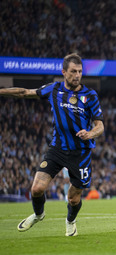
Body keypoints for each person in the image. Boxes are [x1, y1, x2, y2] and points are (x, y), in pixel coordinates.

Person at [0, 53, 104, 236]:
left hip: (81, 152)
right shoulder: (53, 89)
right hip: (57, 148)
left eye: (80, 71)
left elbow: (100, 126)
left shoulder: (90, 95)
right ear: (64, 72)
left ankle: (70, 220)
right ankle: (39, 214)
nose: (77, 75)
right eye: (73, 71)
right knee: (37, 188)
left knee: (73, 199)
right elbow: (25, 92)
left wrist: (90, 134)